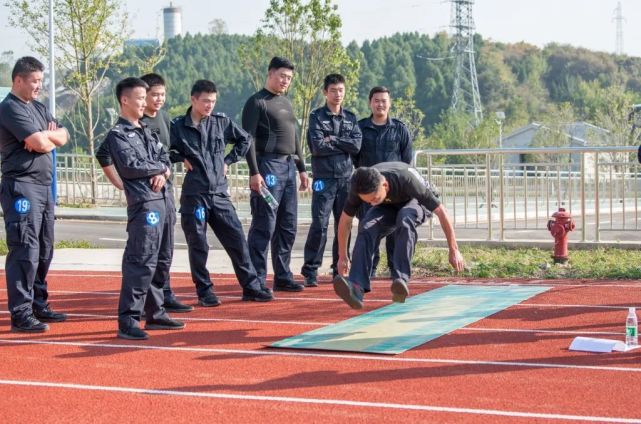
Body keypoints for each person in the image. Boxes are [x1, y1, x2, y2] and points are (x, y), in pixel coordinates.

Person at [170, 79, 273, 304]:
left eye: (213, 101)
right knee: (198, 243)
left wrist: (228, 160)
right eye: (205, 101)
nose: (210, 105)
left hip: (219, 193)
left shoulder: (221, 122)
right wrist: (181, 157)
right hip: (195, 195)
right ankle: (205, 291)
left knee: (236, 238)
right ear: (193, 99)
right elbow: (163, 150)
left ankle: (251, 286)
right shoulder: (177, 126)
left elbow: (245, 139)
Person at [96, 77, 184, 340]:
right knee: (141, 261)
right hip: (145, 204)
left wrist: (165, 170)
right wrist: (160, 168)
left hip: (164, 200)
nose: (145, 102)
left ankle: (155, 313)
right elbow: (132, 165)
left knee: (162, 259)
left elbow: (164, 156)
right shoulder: (117, 135)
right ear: (125, 100)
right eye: (140, 98)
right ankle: (128, 320)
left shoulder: (147, 129)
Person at [332, 162, 465, 309]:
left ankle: (400, 279)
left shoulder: (406, 178)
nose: (371, 203)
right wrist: (342, 256)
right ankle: (356, 286)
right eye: (368, 201)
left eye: (374, 199)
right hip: (387, 206)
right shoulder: (360, 187)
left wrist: (454, 249)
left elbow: (441, 212)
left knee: (405, 218)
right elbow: (345, 221)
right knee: (366, 226)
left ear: (385, 185)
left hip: (416, 202)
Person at [0, 56, 69, 332]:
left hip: (44, 186)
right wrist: (43, 138)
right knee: (25, 249)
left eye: (41, 80)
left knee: (44, 247)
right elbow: (40, 142)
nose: (39, 86)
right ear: (18, 80)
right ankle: (21, 312)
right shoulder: (9, 108)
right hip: (22, 186)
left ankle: (39, 303)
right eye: (35, 81)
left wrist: (45, 138)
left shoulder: (38, 108)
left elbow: (62, 136)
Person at [242, 56, 309, 292]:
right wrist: (254, 172)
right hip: (267, 167)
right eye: (282, 76)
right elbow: (247, 139)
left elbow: (294, 138)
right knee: (264, 224)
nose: (285, 81)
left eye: (289, 78)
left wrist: (302, 169)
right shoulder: (256, 102)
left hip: (289, 166)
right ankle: (256, 280)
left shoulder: (286, 102)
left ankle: (283, 275)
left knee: (287, 225)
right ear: (270, 73)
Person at [300, 73, 362, 287]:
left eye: (341, 90)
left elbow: (356, 146)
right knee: (319, 224)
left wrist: (333, 139)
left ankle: (339, 267)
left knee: (344, 224)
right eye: (333, 90)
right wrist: (341, 143)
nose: (337, 94)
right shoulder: (317, 117)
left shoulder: (351, 118)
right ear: (325, 92)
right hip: (324, 179)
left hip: (346, 179)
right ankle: (310, 270)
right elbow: (317, 146)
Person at [354, 86, 413, 276]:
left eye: (384, 101)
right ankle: (368, 270)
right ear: (370, 103)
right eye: (376, 100)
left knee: (395, 230)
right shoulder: (360, 128)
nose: (380, 104)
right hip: (368, 190)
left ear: (389, 103)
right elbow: (354, 158)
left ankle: (395, 271)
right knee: (368, 228)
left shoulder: (400, 129)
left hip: (392, 191)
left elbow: (406, 161)